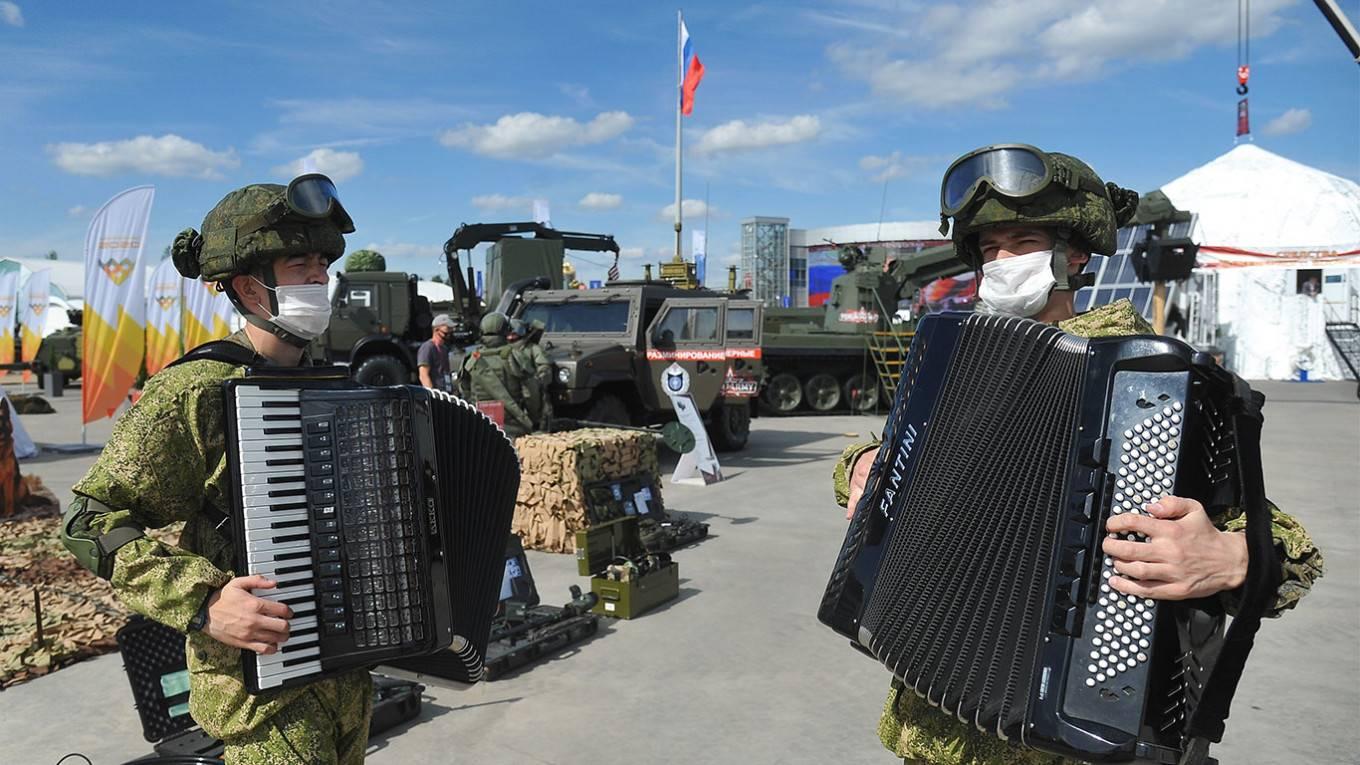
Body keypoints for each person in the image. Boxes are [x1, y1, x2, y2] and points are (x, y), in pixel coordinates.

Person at [831, 144, 1325, 765]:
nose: (1002, 261)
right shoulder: (955, 357)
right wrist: (859, 468)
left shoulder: (1150, 377)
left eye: (1021, 241)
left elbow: (1293, 553)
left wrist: (1231, 557)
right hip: (931, 726)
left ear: (1075, 254)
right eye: (989, 249)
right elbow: (890, 449)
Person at [61, 177, 373, 764]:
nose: (317, 277)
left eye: (322, 263)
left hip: (348, 678)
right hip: (262, 699)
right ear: (246, 287)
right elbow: (89, 519)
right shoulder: (197, 390)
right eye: (297, 262)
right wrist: (204, 602)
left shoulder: (336, 386)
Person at [456, 312, 535, 437]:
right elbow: (531, 392)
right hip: (514, 426)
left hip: (481, 426)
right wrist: (534, 418)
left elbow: (465, 392)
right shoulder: (515, 356)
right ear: (506, 330)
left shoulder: (471, 359)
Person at [508, 318, 553, 430]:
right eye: (509, 333)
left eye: (514, 333)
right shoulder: (502, 349)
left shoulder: (532, 348)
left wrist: (539, 377)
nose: (511, 336)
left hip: (528, 388)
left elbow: (544, 365)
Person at [417, 313, 454, 390]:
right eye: (447, 329)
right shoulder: (427, 348)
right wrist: (432, 395)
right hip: (436, 394)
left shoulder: (444, 349)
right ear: (436, 330)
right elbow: (423, 375)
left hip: (446, 391)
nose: (449, 333)